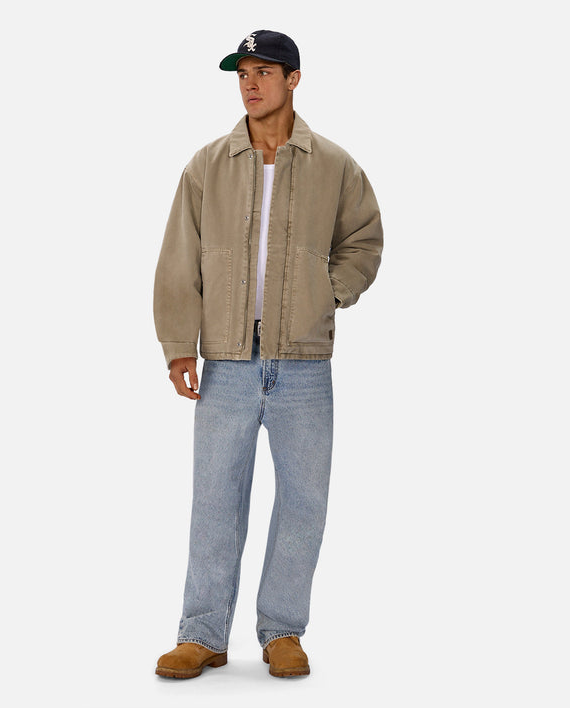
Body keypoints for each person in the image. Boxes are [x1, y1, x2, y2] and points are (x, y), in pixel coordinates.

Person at [153, 29, 383, 679]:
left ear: (294, 79)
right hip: (226, 360)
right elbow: (179, 257)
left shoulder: (333, 164)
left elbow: (363, 239)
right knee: (214, 499)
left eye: (263, 71)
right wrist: (179, 344)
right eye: (242, 74)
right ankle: (202, 634)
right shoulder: (208, 165)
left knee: (304, 500)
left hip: (304, 361)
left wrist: (326, 293)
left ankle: (282, 630)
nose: (250, 84)